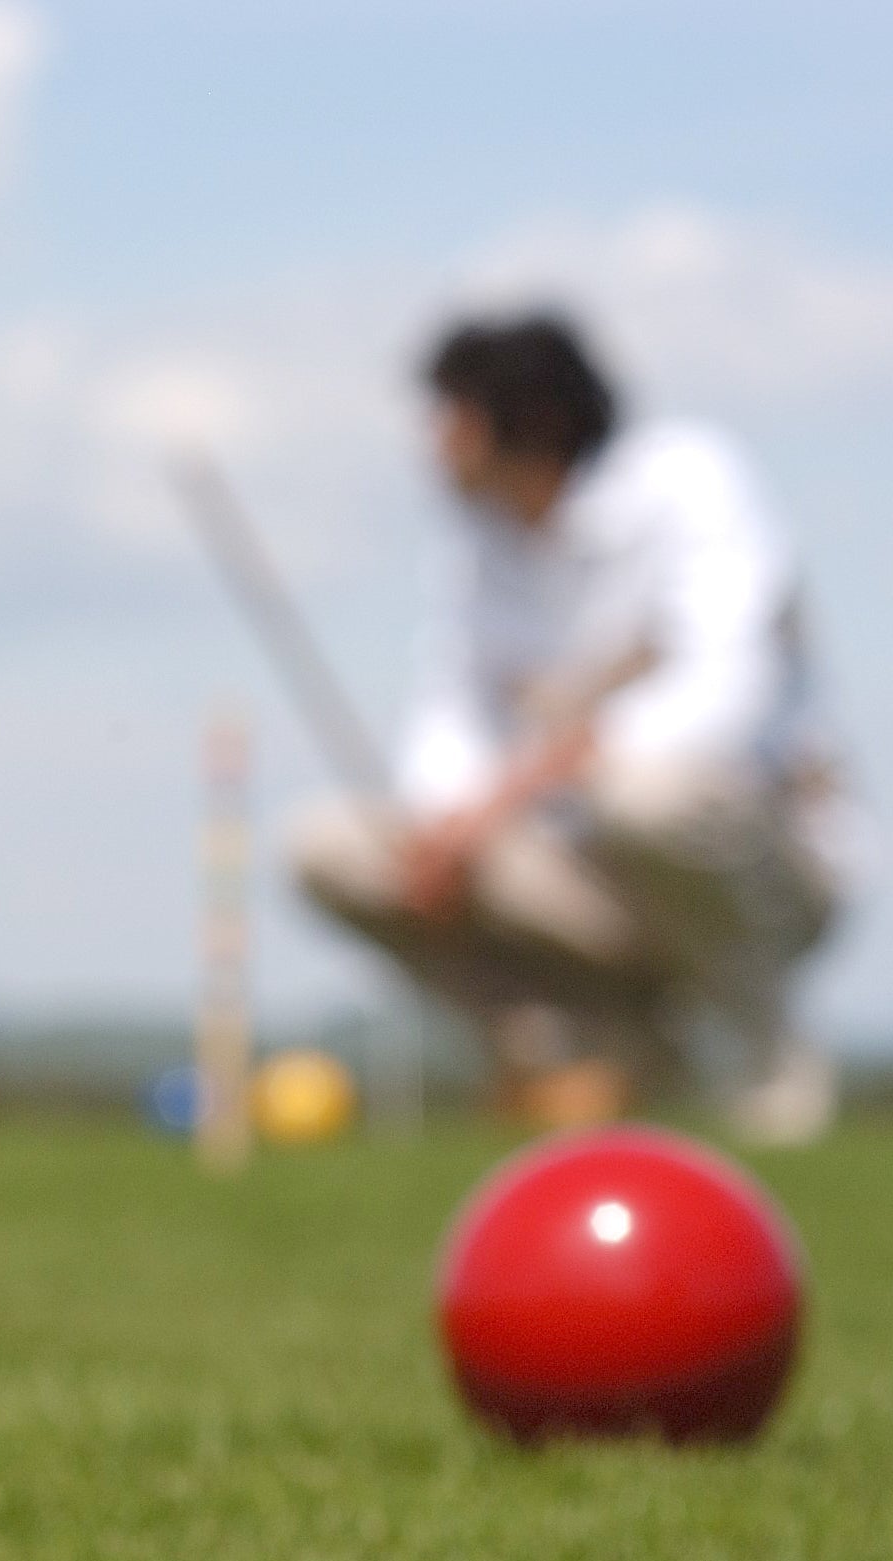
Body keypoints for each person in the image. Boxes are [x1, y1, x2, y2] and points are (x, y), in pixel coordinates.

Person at [293, 311, 858, 1142]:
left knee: (648, 798)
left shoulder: (689, 480)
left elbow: (728, 699)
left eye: (453, 414)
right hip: (583, 879)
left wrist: (519, 788)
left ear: (531, 418)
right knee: (335, 847)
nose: (433, 439)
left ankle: (765, 1060)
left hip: (773, 866)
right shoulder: (478, 542)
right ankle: (589, 1049)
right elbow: (453, 717)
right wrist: (442, 829)